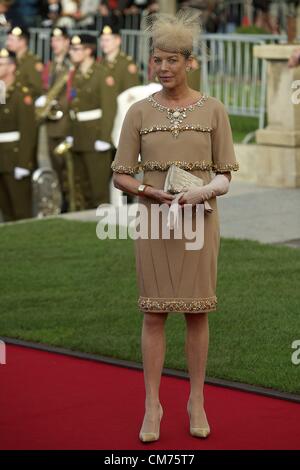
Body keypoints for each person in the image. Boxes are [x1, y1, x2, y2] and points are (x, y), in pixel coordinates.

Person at [111, 9, 239, 442]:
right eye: (157, 59)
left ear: (190, 62)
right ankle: (153, 405)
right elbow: (121, 173)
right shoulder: (138, 112)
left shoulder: (214, 110)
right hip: (154, 219)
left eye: (172, 60)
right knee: (153, 312)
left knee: (197, 313)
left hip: (198, 221)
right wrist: (151, 194)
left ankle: (196, 399)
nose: (163, 68)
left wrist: (201, 192)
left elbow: (225, 174)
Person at [68, 33, 112, 209]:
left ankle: (103, 226)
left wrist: (104, 137)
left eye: (76, 49)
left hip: (95, 136)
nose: (72, 52)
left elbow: (109, 108)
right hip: (79, 135)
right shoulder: (77, 74)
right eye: (71, 49)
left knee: (98, 188)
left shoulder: (101, 74)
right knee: (83, 186)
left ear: (89, 50)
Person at [38, 26, 72, 210]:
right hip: (51, 124)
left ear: (67, 42)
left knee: (67, 166)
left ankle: (70, 199)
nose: (54, 44)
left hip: (66, 123)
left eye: (58, 40)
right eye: (52, 40)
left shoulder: (70, 65)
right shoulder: (50, 66)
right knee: (55, 167)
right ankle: (62, 200)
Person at [0, 48, 36, 221]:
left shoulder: (21, 94)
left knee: (20, 209)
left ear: (12, 67)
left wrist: (23, 163)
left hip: (15, 157)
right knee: (5, 209)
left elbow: (28, 131)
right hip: (2, 157)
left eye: (1, 64)